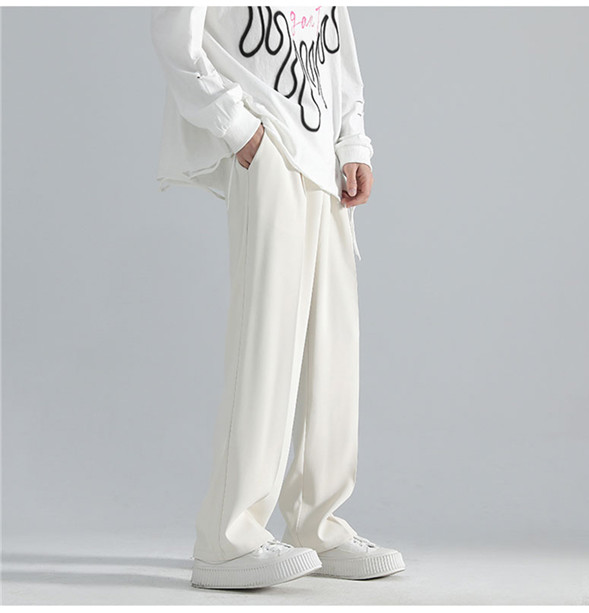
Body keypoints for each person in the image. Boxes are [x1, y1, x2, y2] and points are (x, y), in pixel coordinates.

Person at [150, 6, 405, 590]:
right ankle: (227, 538)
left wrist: (353, 142)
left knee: (332, 343)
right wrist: (235, 125)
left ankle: (317, 523)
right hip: (266, 141)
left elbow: (338, 49)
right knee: (265, 338)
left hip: (323, 157)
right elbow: (173, 33)